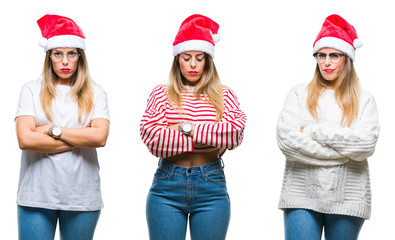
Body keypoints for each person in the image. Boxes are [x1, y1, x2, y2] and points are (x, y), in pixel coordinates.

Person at [140, 14, 247, 240]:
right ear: (177, 59)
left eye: (199, 58)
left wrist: (182, 127)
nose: (193, 64)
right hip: (166, 187)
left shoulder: (223, 94)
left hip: (211, 186)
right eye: (187, 57)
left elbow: (235, 133)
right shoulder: (161, 93)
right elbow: (152, 137)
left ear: (207, 60)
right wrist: (211, 134)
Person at [276, 14, 380, 240]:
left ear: (347, 58)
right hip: (301, 195)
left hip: (348, 198)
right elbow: (287, 142)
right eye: (321, 55)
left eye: (334, 55)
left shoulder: (365, 100)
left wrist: (313, 131)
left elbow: (365, 145)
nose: (326, 61)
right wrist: (343, 153)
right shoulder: (298, 93)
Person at [15, 14, 110, 240]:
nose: (65, 61)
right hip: (36, 196)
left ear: (80, 57)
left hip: (82, 197)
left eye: (71, 54)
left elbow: (100, 138)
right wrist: (82, 137)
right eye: (58, 54)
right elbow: (25, 140)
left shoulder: (96, 93)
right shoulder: (30, 89)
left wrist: (48, 129)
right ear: (49, 57)